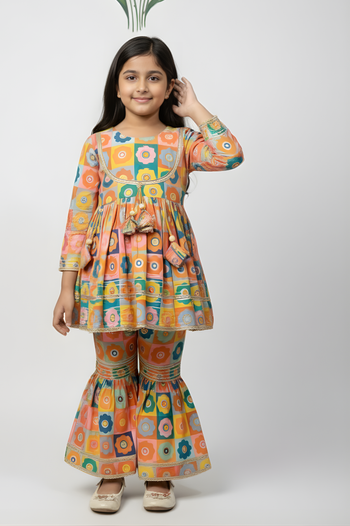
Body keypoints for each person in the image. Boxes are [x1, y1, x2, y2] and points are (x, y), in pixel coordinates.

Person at [52, 36, 244, 513]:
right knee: (113, 372)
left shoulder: (182, 142)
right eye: (132, 76)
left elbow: (231, 154)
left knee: (161, 374)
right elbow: (79, 216)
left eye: (154, 77)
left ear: (169, 86)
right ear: (117, 86)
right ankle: (112, 469)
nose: (142, 86)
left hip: (169, 281)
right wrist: (66, 287)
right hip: (108, 280)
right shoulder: (99, 144)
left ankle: (159, 470)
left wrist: (195, 109)